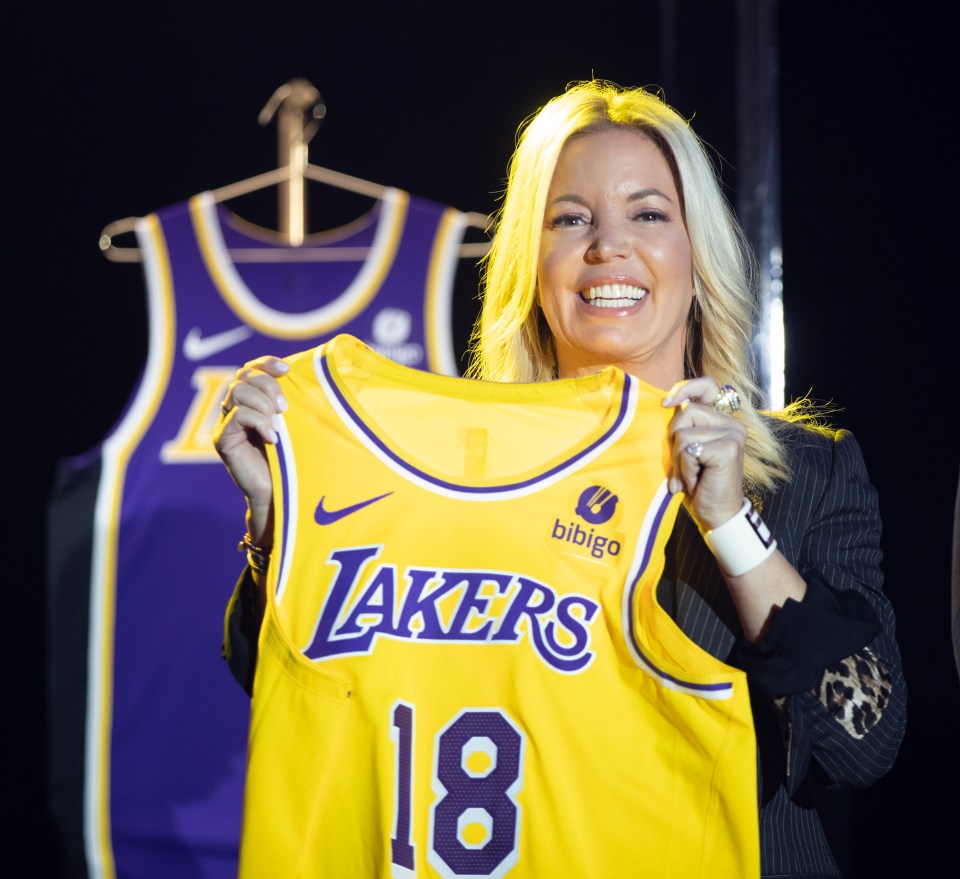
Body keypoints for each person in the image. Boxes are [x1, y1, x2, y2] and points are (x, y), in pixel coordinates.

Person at [214, 80, 906, 877]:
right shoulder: (450, 472)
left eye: (647, 213)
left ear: (696, 251)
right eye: (570, 218)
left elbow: (866, 743)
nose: (608, 246)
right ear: (531, 264)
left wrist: (729, 523)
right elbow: (296, 692)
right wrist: (280, 517)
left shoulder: (808, 471)